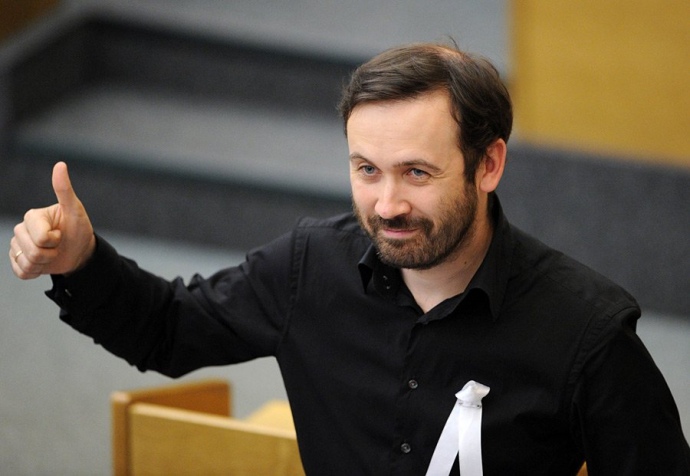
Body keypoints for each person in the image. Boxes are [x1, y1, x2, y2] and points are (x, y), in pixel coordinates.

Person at [9, 43, 690, 475]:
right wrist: (81, 260)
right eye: (366, 169)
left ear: (488, 164)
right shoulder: (310, 267)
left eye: (416, 173)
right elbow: (166, 329)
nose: (387, 204)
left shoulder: (587, 332)